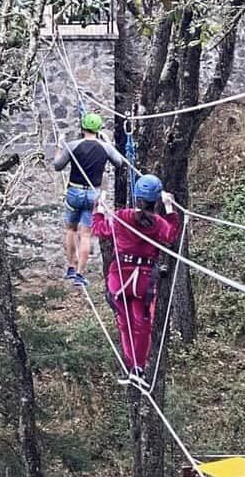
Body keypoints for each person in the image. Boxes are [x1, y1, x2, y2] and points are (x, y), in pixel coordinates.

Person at [92, 174, 181, 379]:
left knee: (125, 322)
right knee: (141, 324)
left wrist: (99, 208)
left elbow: (99, 229)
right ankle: (138, 367)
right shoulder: (158, 223)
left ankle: (132, 365)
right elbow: (171, 235)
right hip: (143, 281)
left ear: (137, 196)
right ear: (156, 199)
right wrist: (169, 208)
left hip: (119, 279)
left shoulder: (122, 217)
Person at [52, 112, 126, 288]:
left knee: (71, 230)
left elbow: (57, 165)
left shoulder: (73, 145)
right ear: (99, 129)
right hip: (93, 193)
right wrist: (107, 143)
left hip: (74, 191)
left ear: (82, 128)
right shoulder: (104, 147)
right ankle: (80, 274)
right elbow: (119, 162)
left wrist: (59, 146)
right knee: (86, 234)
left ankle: (70, 266)